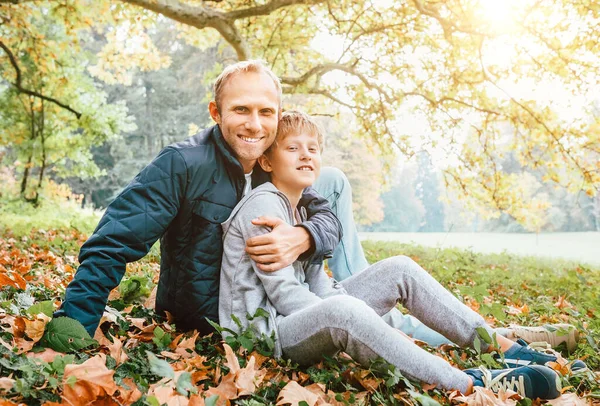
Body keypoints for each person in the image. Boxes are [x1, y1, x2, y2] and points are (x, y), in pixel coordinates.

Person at [219, 110, 570, 399]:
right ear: (267, 160)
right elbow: (286, 296)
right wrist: (360, 318)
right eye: (293, 148)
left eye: (313, 148)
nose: (307, 155)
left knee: (398, 268)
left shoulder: (303, 208)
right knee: (346, 311)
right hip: (267, 334)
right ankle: (470, 384)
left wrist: (366, 322)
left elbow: (316, 283)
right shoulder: (264, 207)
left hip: (301, 314)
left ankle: (503, 348)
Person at [54, 60, 343, 336]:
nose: (255, 125)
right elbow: (112, 244)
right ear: (216, 113)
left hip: (273, 314)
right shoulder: (182, 163)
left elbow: (328, 219)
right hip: (206, 326)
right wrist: (72, 333)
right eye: (241, 109)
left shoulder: (271, 165)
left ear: (278, 115)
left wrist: (305, 237)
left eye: (266, 112)